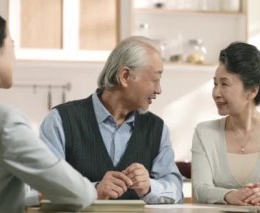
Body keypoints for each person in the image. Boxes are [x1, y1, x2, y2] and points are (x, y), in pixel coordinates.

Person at [0, 7, 96, 212]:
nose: (15, 57)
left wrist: (33, 196)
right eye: (11, 44)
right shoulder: (3, 122)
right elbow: (80, 194)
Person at [40, 36, 183, 204]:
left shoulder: (157, 129)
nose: (159, 90)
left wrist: (149, 187)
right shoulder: (60, 121)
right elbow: (43, 188)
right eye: (155, 80)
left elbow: (176, 192)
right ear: (125, 76)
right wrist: (93, 191)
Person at [191, 42, 260, 206]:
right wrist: (230, 195)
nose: (216, 93)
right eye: (215, 84)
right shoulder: (204, 132)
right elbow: (200, 189)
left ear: (252, 91)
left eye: (224, 84)